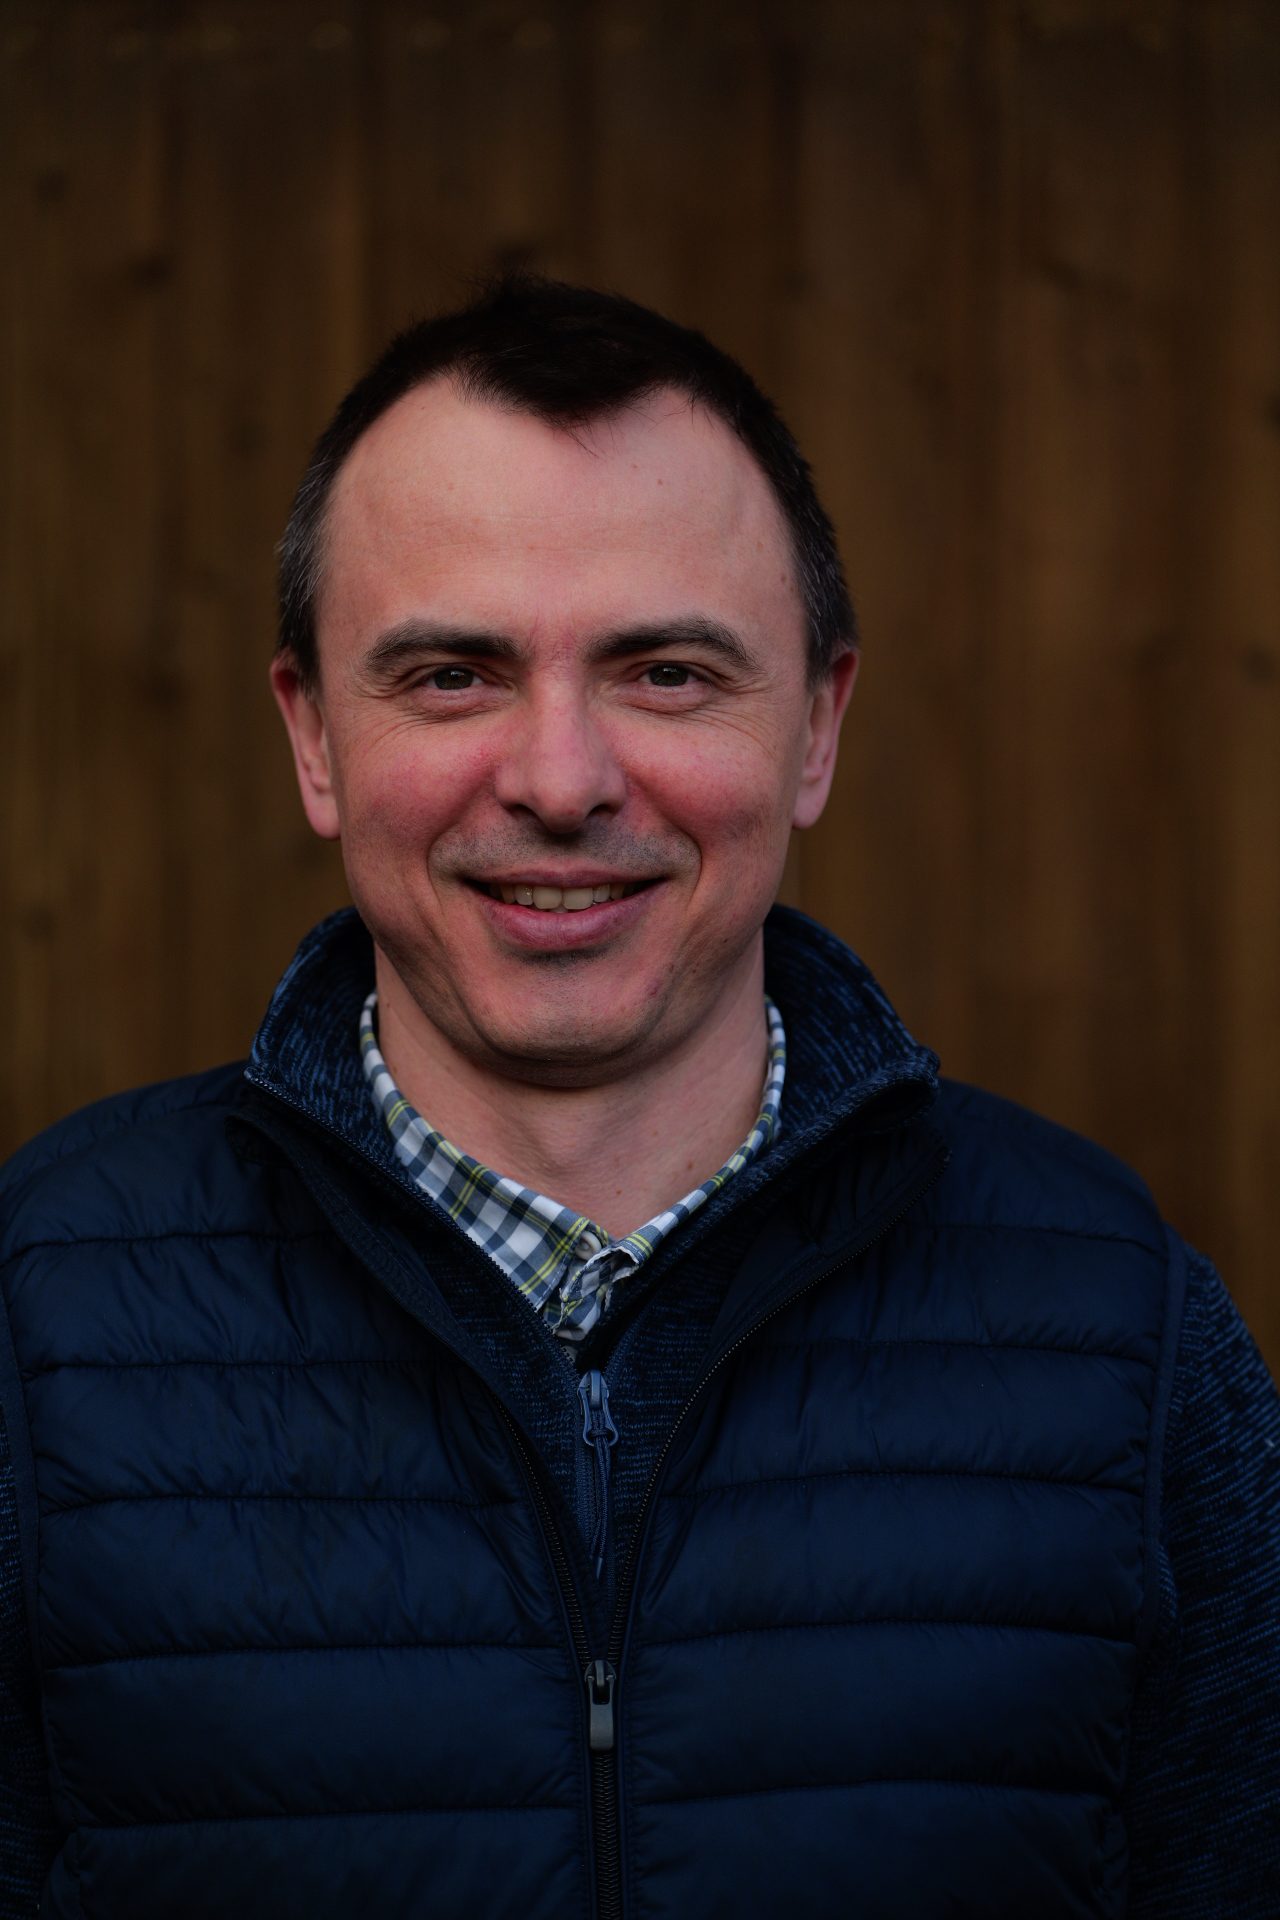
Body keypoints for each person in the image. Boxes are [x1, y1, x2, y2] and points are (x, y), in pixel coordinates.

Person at [1, 276, 1276, 1920]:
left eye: (666, 672)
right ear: (312, 736)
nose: (560, 778)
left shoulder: (1128, 1334)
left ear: (815, 726)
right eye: (450, 675)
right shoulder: (34, 1331)